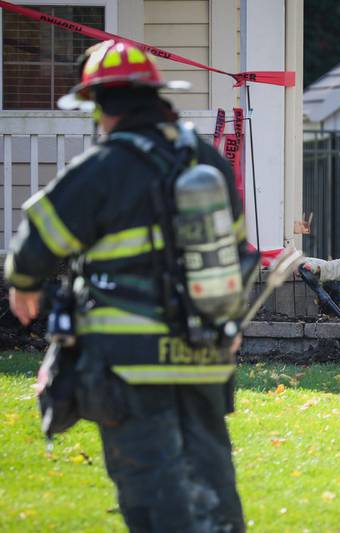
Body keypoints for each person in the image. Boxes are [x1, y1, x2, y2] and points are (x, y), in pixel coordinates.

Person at [5, 40, 246, 531]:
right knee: (213, 487)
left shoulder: (106, 166)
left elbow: (40, 237)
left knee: (152, 496)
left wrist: (23, 284)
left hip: (130, 364)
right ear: (156, 97)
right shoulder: (204, 160)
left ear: (100, 106)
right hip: (202, 355)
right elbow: (237, 250)